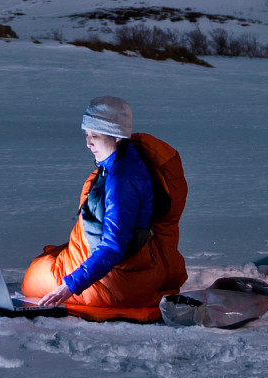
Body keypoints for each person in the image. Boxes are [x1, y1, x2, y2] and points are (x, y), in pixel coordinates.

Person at [22, 95, 187, 321]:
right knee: (49, 257)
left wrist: (68, 287)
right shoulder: (121, 162)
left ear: (118, 136)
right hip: (126, 273)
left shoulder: (122, 180)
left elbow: (113, 247)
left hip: (117, 283)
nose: (88, 143)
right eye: (87, 135)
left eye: (95, 136)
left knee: (33, 278)